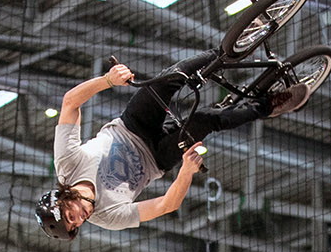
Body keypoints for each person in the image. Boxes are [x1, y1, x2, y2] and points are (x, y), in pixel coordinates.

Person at [37, 52, 309, 240]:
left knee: (170, 78)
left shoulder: (67, 164)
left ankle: (231, 48)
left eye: (71, 216)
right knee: (206, 120)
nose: (81, 218)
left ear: (63, 199)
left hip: (132, 125)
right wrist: (187, 171)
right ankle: (268, 105)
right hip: (157, 157)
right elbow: (167, 205)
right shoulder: (108, 217)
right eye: (76, 225)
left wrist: (108, 81)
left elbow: (70, 103)